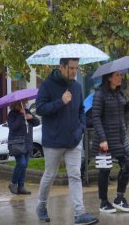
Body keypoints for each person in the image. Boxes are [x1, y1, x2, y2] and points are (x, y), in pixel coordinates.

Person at [35, 58, 98, 224]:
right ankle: (41, 206)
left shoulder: (76, 87)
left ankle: (79, 213)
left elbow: (81, 110)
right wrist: (60, 102)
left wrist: (81, 128)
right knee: (49, 175)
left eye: (76, 68)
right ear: (61, 67)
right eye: (71, 68)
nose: (74, 71)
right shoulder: (47, 85)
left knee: (75, 175)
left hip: (74, 140)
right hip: (53, 141)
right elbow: (40, 109)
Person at [91, 70, 129, 214]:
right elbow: (96, 118)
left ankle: (119, 198)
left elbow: (121, 111)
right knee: (105, 171)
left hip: (120, 139)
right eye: (117, 75)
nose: (120, 77)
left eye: (121, 75)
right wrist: (102, 139)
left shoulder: (119, 93)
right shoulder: (100, 94)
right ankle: (104, 202)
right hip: (105, 140)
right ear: (109, 77)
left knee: (128, 166)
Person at [7, 99, 40, 195]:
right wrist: (22, 116)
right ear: (16, 104)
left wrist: (30, 117)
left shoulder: (27, 112)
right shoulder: (12, 114)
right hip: (17, 143)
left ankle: (21, 186)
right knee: (21, 163)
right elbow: (13, 127)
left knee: (24, 165)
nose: (25, 105)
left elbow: (37, 122)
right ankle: (13, 183)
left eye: (25, 103)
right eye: (23, 103)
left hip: (28, 142)